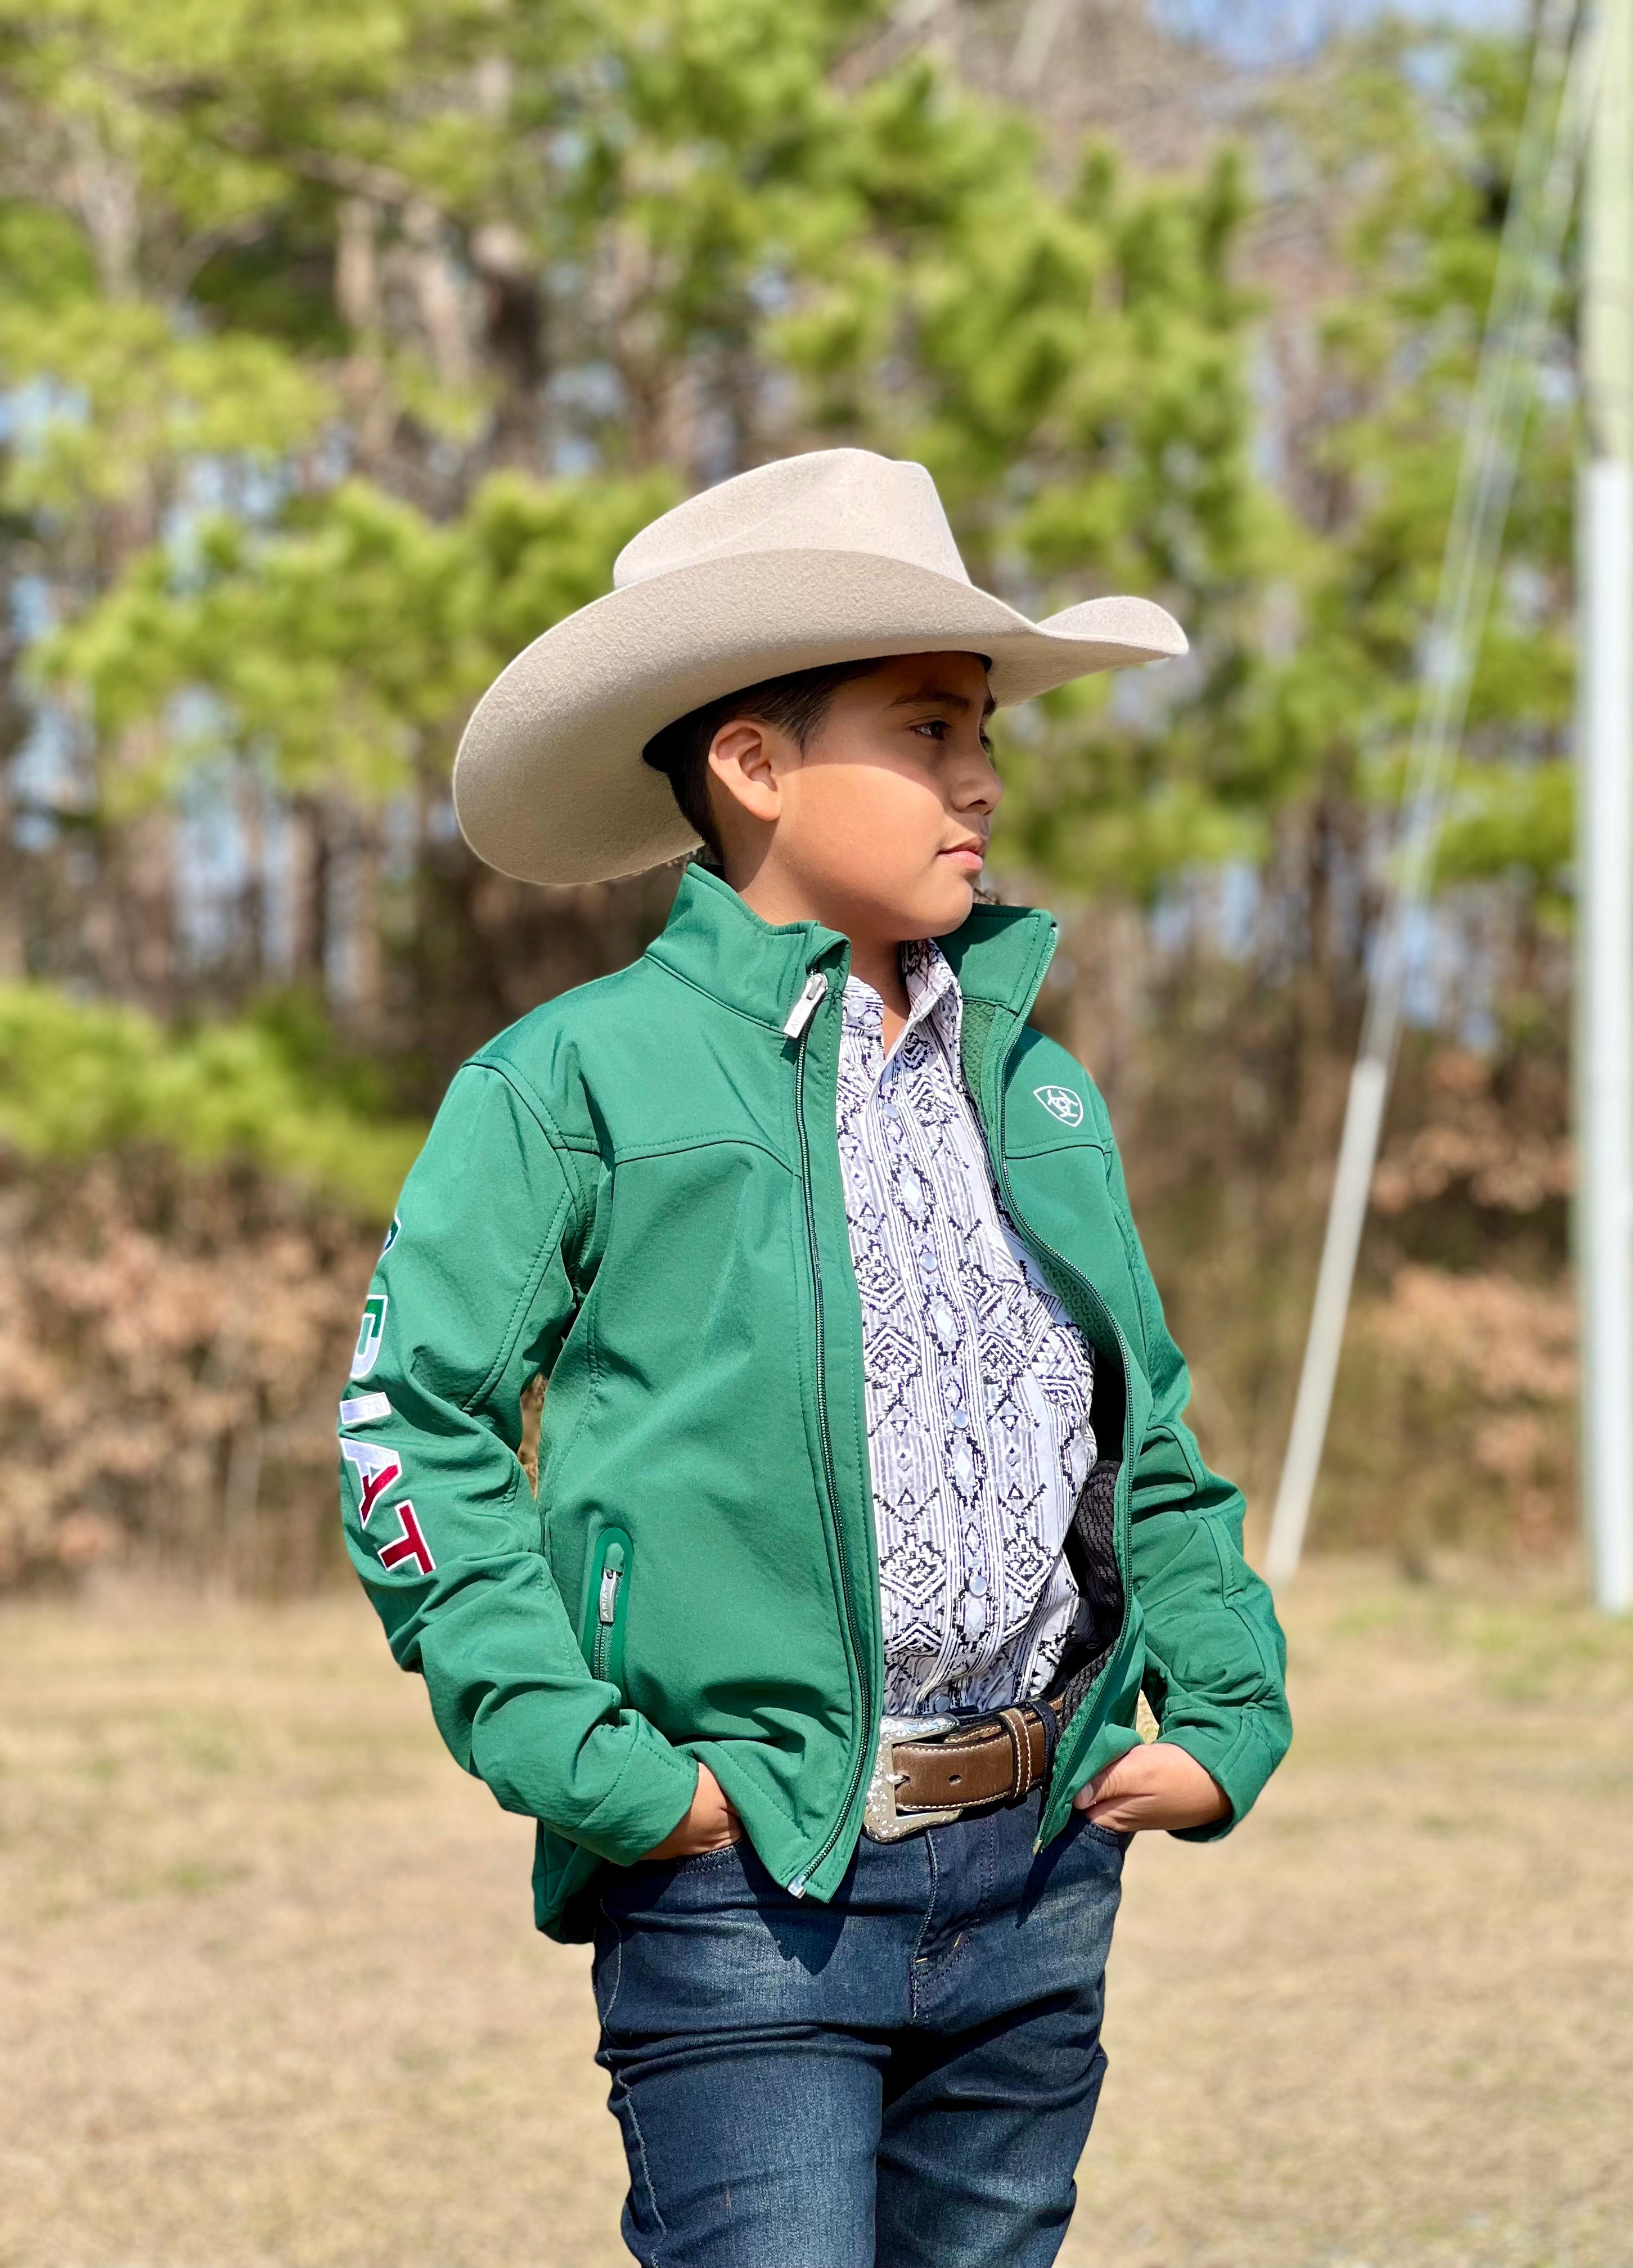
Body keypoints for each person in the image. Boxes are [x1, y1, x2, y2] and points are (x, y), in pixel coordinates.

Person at [338, 448, 1290, 2268]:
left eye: (987, 730)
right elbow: (409, 1424)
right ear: (754, 766)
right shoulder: (573, 1086)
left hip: (1036, 1876)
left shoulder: (1040, 1084)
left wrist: (1227, 1713)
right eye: (929, 728)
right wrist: (606, 1771)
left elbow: (1140, 1432)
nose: (984, 776)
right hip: (745, 1891)